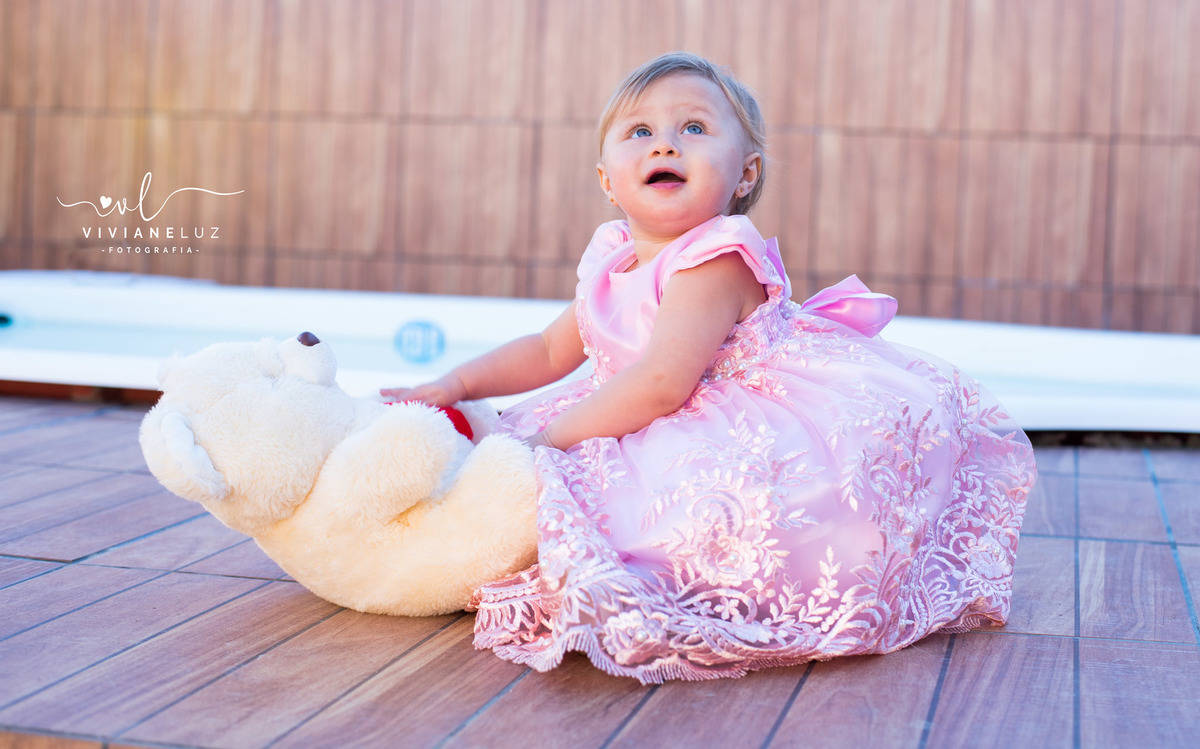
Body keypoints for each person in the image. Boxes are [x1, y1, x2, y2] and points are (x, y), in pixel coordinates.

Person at [382, 52, 1036, 683]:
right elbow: (553, 349)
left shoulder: (716, 256)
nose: (665, 144)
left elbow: (664, 381)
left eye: (693, 127)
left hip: (721, 414)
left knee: (674, 517)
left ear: (745, 174)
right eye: (640, 131)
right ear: (608, 179)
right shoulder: (613, 255)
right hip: (643, 401)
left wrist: (546, 442)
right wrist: (457, 383)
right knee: (532, 466)